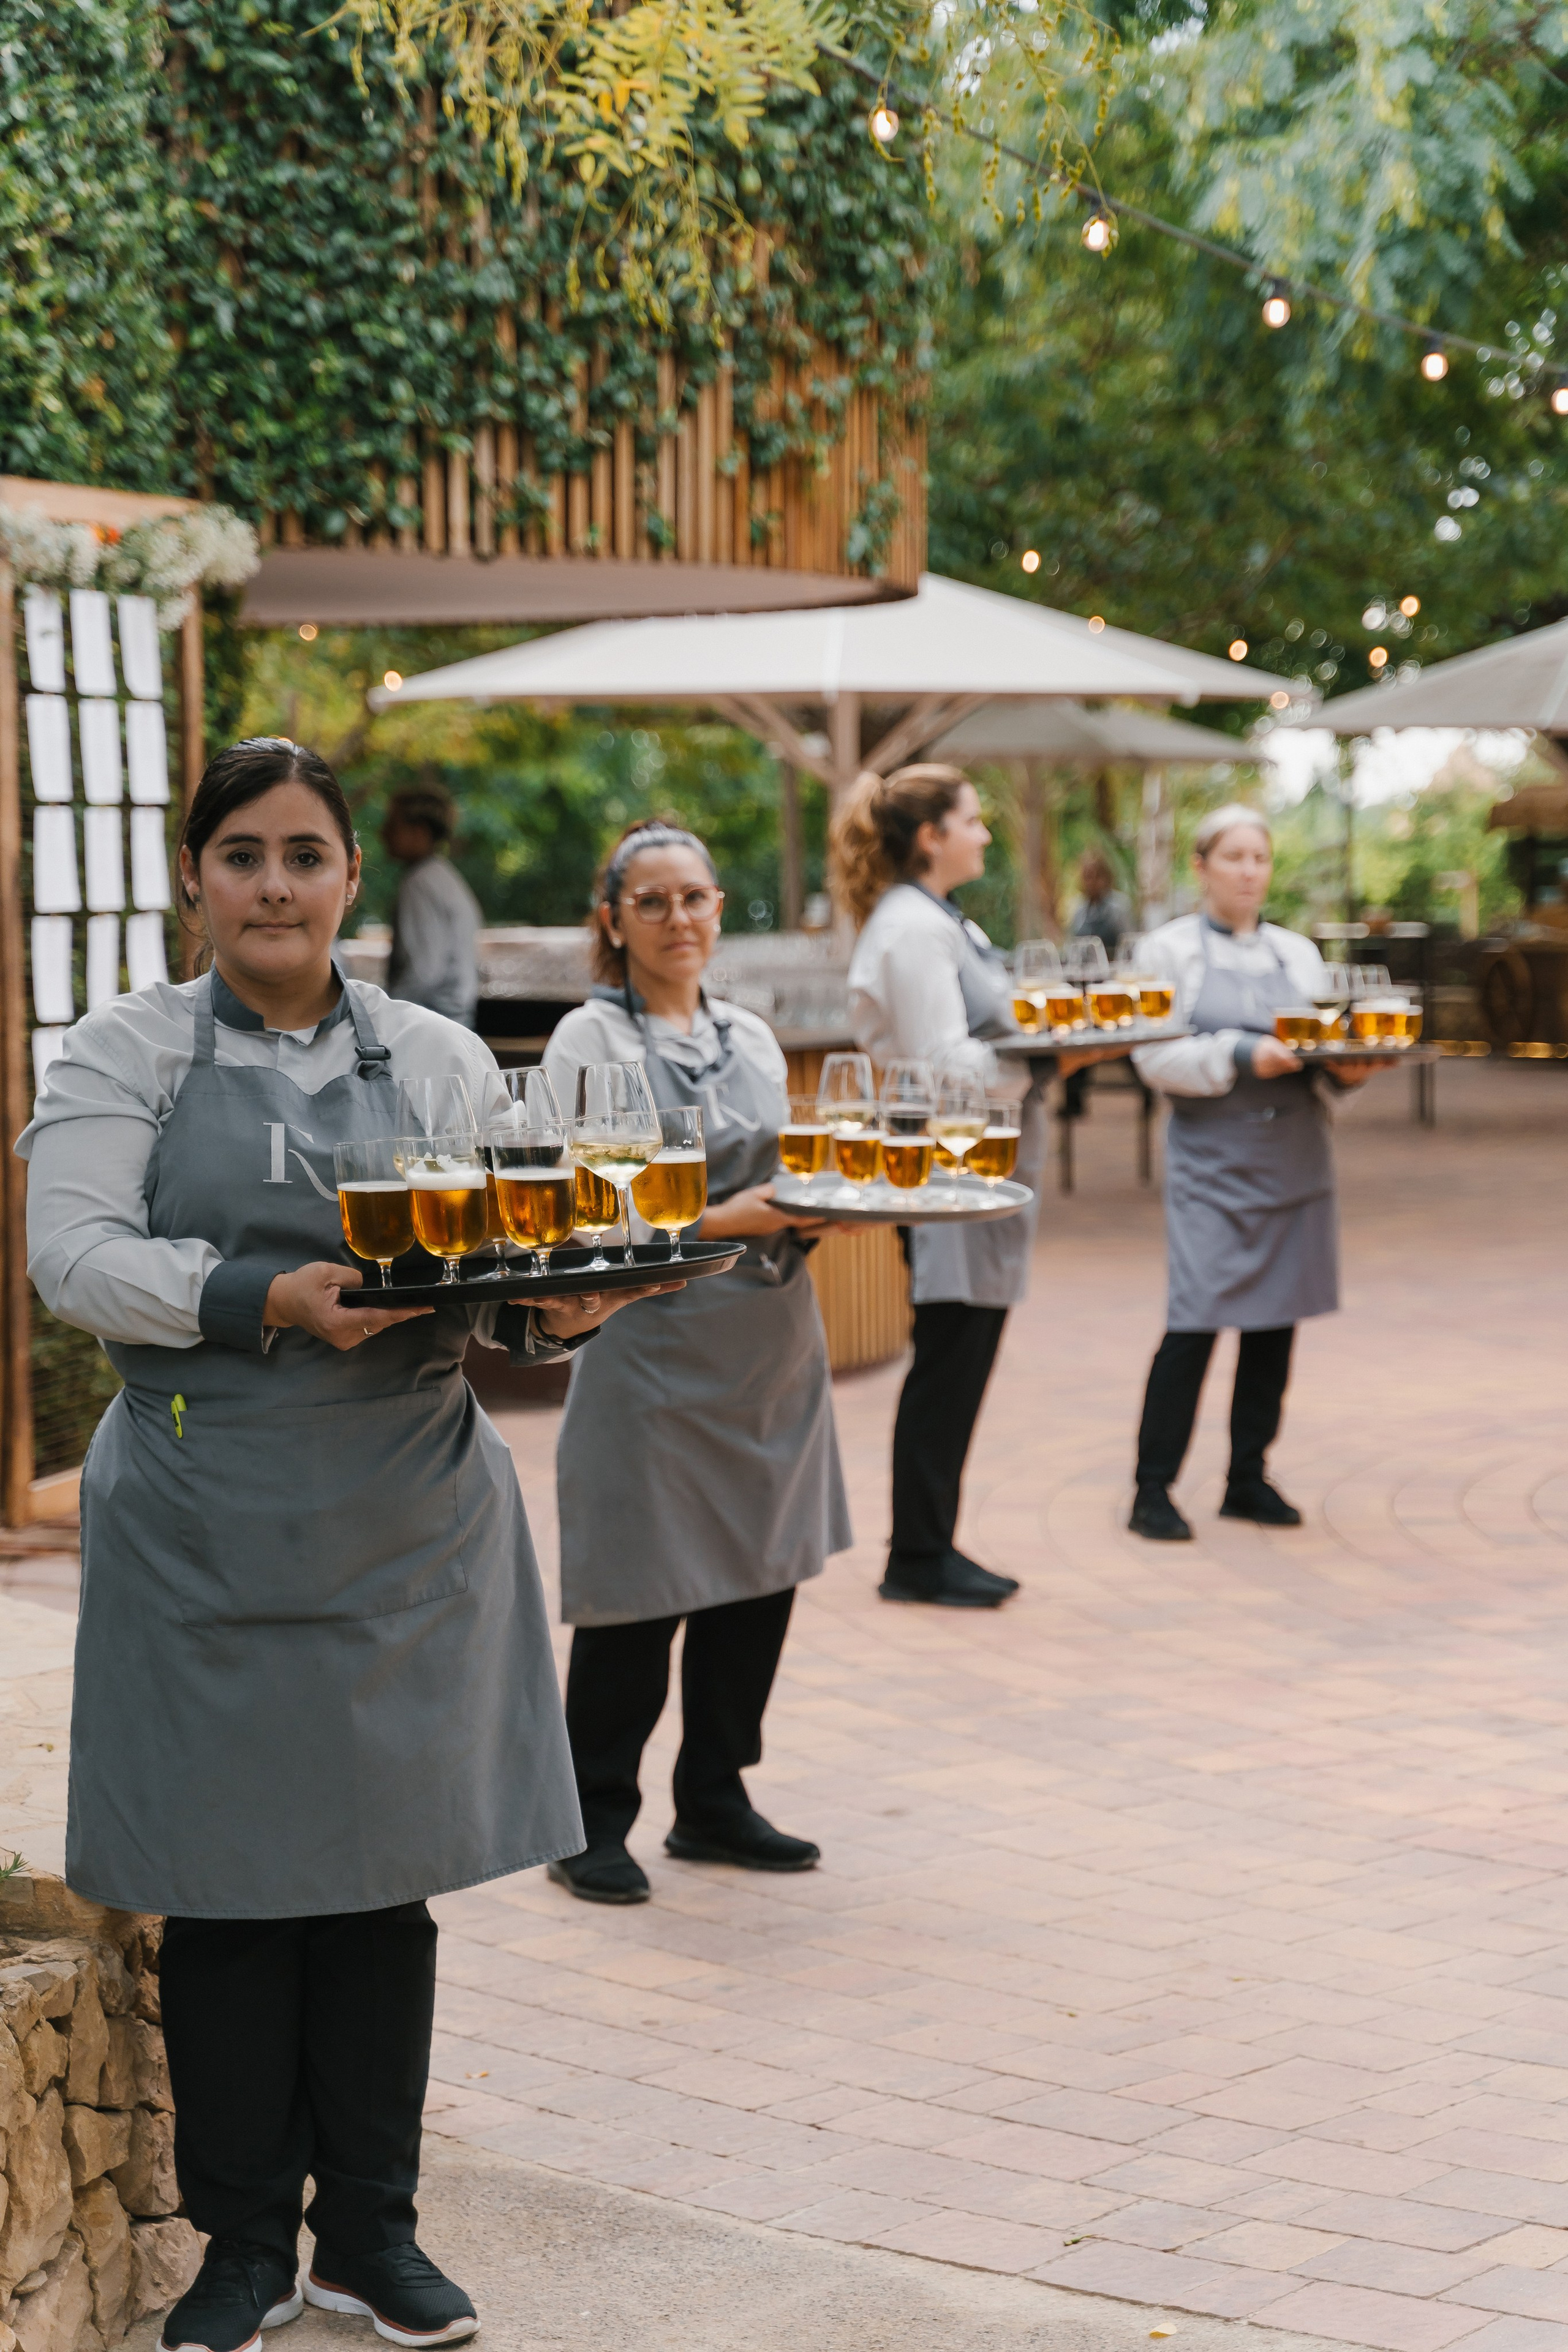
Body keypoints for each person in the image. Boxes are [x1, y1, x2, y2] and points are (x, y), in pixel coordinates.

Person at [17, 738, 673, 2352]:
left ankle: (373, 2233)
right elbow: (73, 1253)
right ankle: (244, 2248)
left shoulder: (446, 1060)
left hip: (404, 1521)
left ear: (347, 879)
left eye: (303, 855)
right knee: (232, 1901)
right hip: (203, 1521)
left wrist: (557, 1309)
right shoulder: (126, 1053)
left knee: (382, 1896)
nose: (273, 886)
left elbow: (496, 1258)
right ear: (197, 878)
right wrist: (261, 1297)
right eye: (242, 855)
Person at [540, 818, 851, 1905]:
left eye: (698, 898)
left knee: (761, 1573)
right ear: (613, 921)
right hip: (648, 1338)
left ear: (721, 911)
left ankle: (716, 1798)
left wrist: (811, 1217)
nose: (680, 918)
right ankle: (590, 1818)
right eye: (654, 900)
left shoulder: (754, 1039)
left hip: (768, 1340)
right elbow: (591, 1212)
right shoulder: (589, 1043)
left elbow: (786, 1180)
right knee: (639, 1585)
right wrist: (754, 1213)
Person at [1127, 803, 1377, 1542]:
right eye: (1232, 857)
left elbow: (1327, 1054)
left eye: (1259, 858)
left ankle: (1247, 1476)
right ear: (1200, 867)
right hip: (1211, 1163)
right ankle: (1151, 1489)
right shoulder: (1166, 951)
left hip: (1296, 1160)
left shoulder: (1300, 955)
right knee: (1194, 1322)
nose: (1247, 871)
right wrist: (1241, 1054)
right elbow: (1151, 1056)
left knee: (1275, 1323)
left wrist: (1355, 1072)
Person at [836, 765, 1044, 1609]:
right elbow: (940, 1065)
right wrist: (1050, 1051)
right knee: (949, 1360)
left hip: (967, 1169)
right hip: (942, 1169)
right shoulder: (915, 930)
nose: (985, 834)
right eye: (972, 819)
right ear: (931, 837)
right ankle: (918, 1552)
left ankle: (930, 1542)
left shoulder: (938, 922)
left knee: (959, 1358)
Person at [382, 782, 482, 1027]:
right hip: (456, 1017)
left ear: (420, 831)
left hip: (432, 1021)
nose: (383, 833)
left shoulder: (419, 883)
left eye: (393, 825)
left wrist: (383, 1015)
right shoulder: (445, 876)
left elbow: (424, 970)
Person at [1062, 851, 1135, 1123]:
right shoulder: (1079, 910)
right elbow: (1072, 947)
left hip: (1110, 988)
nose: (1090, 881)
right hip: (1084, 988)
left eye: (1095, 875)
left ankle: (1147, 1089)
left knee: (1123, 1044)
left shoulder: (1118, 907)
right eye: (1086, 876)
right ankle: (1074, 1101)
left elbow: (1128, 947)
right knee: (1074, 1037)